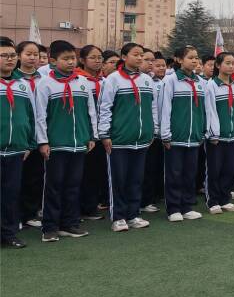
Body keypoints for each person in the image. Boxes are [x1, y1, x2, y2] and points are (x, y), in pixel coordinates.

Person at [33, 40, 97, 242]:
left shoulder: (82, 82)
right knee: (54, 186)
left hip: (79, 143)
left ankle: (69, 223)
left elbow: (90, 112)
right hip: (56, 145)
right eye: (65, 59)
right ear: (53, 61)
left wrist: (91, 136)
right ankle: (50, 227)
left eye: (73, 58)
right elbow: (40, 116)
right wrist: (43, 141)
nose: (71, 62)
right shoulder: (45, 84)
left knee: (73, 185)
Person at [98, 42, 157, 232]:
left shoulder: (147, 80)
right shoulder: (113, 79)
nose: (140, 58)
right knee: (119, 179)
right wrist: (105, 134)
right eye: (136, 54)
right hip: (119, 139)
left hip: (142, 139)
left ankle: (133, 214)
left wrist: (152, 130)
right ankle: (118, 217)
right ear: (124, 57)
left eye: (142, 55)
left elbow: (153, 107)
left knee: (136, 178)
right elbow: (105, 107)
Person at [160, 45, 208, 220]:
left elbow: (205, 110)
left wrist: (203, 130)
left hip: (194, 136)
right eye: (190, 57)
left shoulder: (201, 82)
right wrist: (165, 133)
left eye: (196, 57)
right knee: (174, 173)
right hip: (176, 136)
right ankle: (173, 208)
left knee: (190, 173)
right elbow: (164, 108)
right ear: (179, 60)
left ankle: (187, 206)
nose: (195, 60)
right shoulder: (170, 81)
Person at [1, 37, 35, 248]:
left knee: (11, 194)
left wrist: (28, 143)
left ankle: (9, 233)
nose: (10, 59)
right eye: (4, 55)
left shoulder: (22, 85)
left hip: (16, 150)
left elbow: (30, 116)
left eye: (12, 55)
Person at [203, 51, 234, 216]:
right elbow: (210, 110)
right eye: (227, 63)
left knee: (229, 169)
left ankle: (225, 198)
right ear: (218, 65)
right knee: (214, 169)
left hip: (233, 136)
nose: (231, 66)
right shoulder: (211, 85)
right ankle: (213, 201)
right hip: (216, 138)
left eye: (233, 63)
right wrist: (213, 133)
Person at [13, 41, 43, 229]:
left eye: (36, 54)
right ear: (18, 56)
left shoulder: (45, 77)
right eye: (28, 54)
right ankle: (13, 215)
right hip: (19, 134)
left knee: (35, 175)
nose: (32, 58)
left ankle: (30, 213)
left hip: (39, 134)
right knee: (15, 179)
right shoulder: (13, 78)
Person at [76, 45, 107, 220]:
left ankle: (91, 205)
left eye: (99, 57)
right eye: (93, 57)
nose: (97, 61)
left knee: (96, 170)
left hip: (102, 132)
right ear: (82, 60)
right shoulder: (79, 80)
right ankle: (79, 207)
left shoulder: (104, 81)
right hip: (85, 132)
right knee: (82, 172)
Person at [141, 51, 167, 214]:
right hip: (144, 131)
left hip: (157, 131)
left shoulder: (162, 82)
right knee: (145, 168)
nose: (151, 64)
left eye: (153, 61)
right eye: (148, 60)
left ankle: (153, 196)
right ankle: (144, 200)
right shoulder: (145, 81)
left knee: (155, 167)